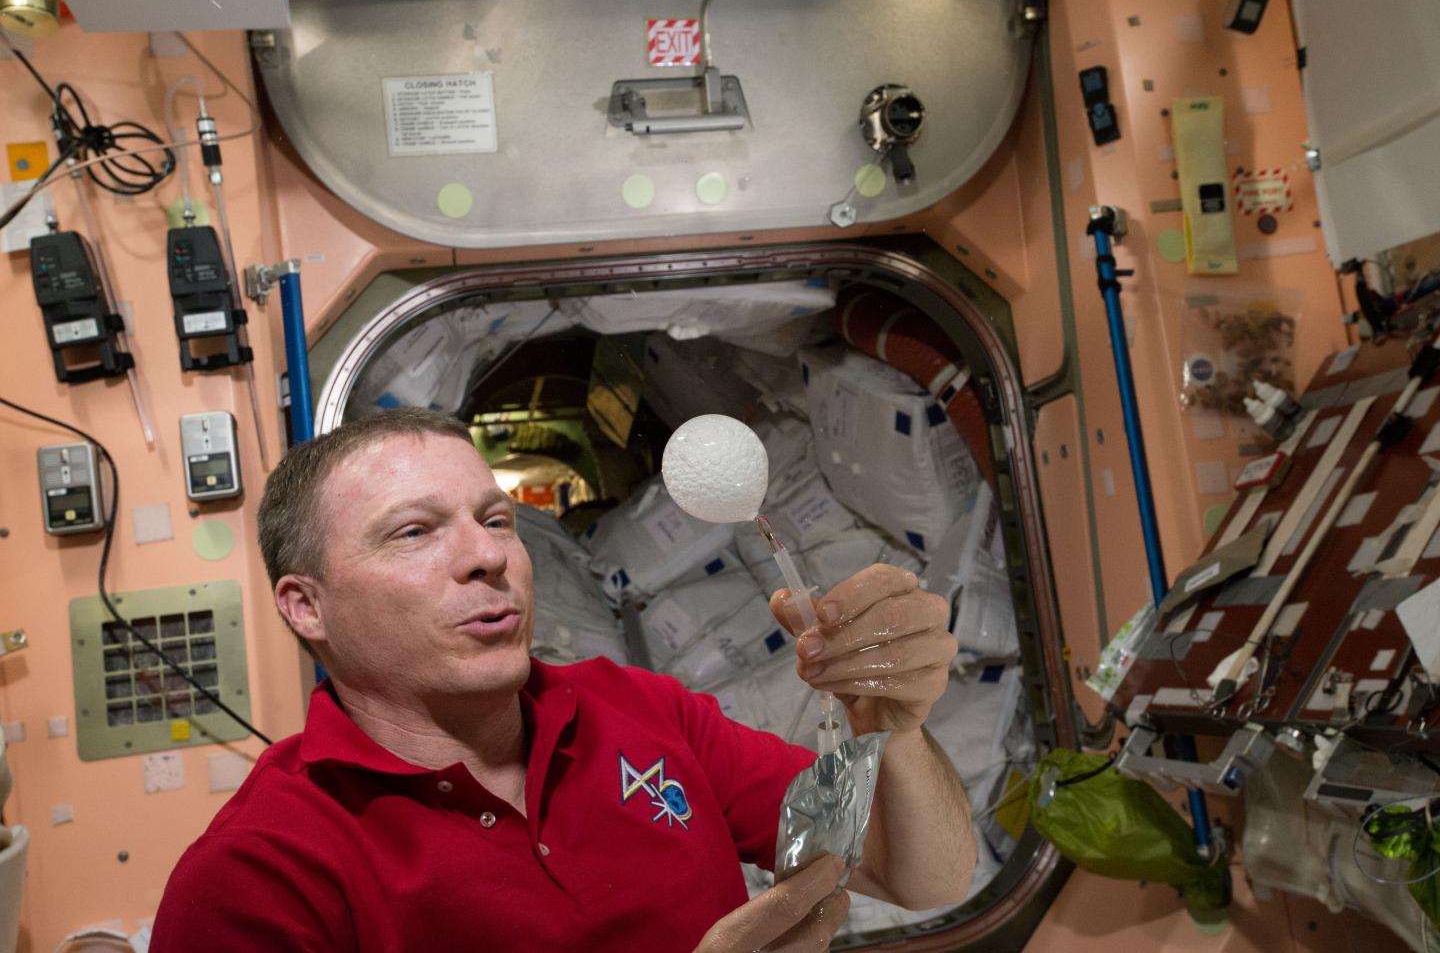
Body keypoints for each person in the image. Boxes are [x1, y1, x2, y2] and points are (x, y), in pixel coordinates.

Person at [151, 408, 976, 952]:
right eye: (414, 532)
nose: (488, 556)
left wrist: (889, 729)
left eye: (497, 520)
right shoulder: (259, 876)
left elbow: (919, 875)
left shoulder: (641, 713)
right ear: (306, 607)